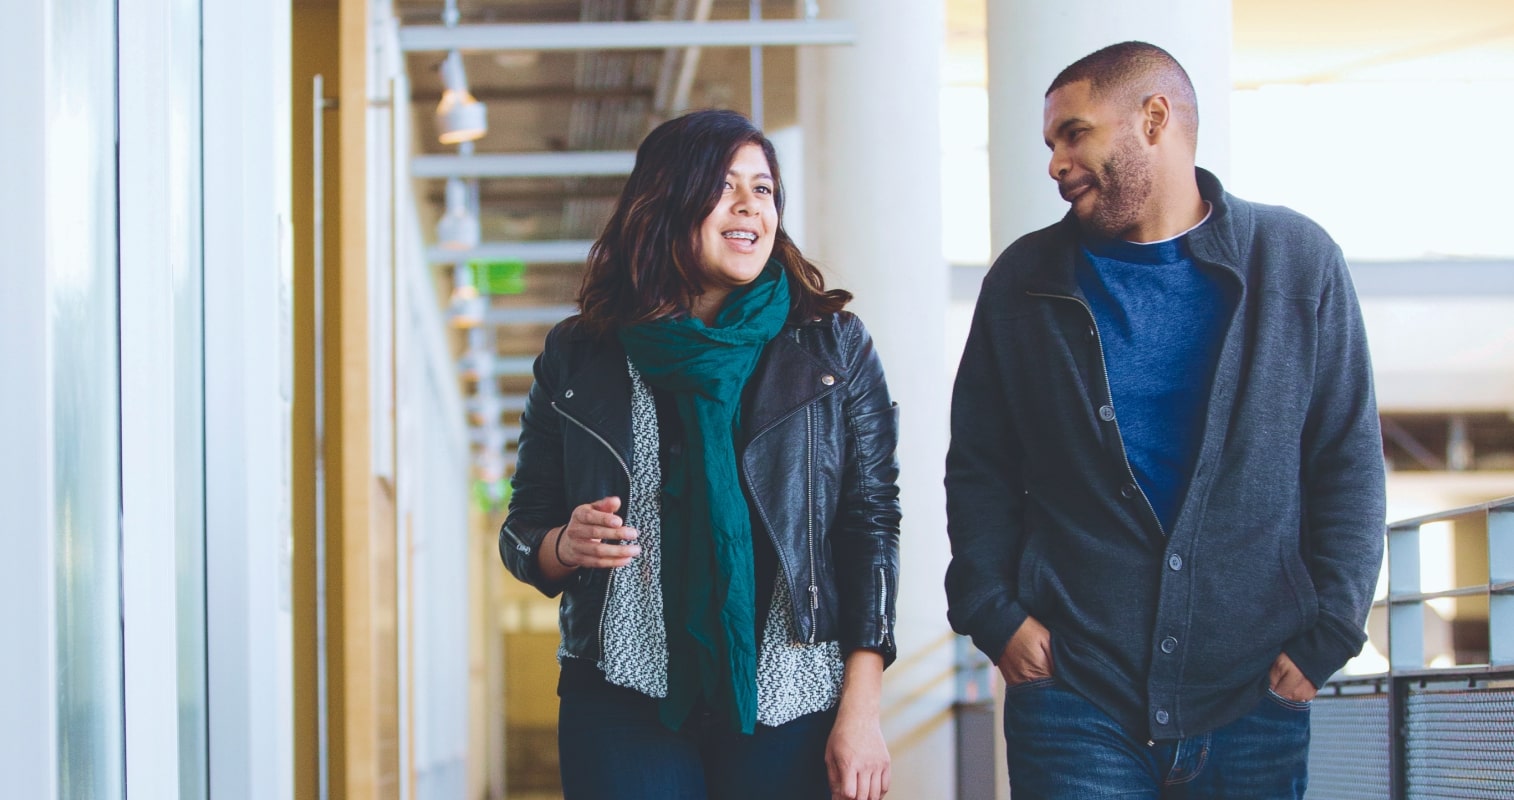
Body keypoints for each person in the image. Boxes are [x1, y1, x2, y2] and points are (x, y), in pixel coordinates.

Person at [944, 41, 1385, 798]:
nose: (1056, 163)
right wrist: (993, 612)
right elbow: (980, 465)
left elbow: (1346, 458)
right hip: (1073, 695)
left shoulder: (1295, 262)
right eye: (1050, 144)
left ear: (1154, 119)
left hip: (1255, 696)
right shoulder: (1024, 280)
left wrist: (1330, 635)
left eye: (1074, 134)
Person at [498, 109, 900, 800]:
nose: (749, 206)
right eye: (723, 186)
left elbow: (870, 526)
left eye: (763, 189)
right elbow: (521, 530)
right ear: (665, 201)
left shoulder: (832, 346)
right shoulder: (581, 352)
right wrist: (564, 544)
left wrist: (862, 711)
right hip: (621, 690)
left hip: (791, 692)